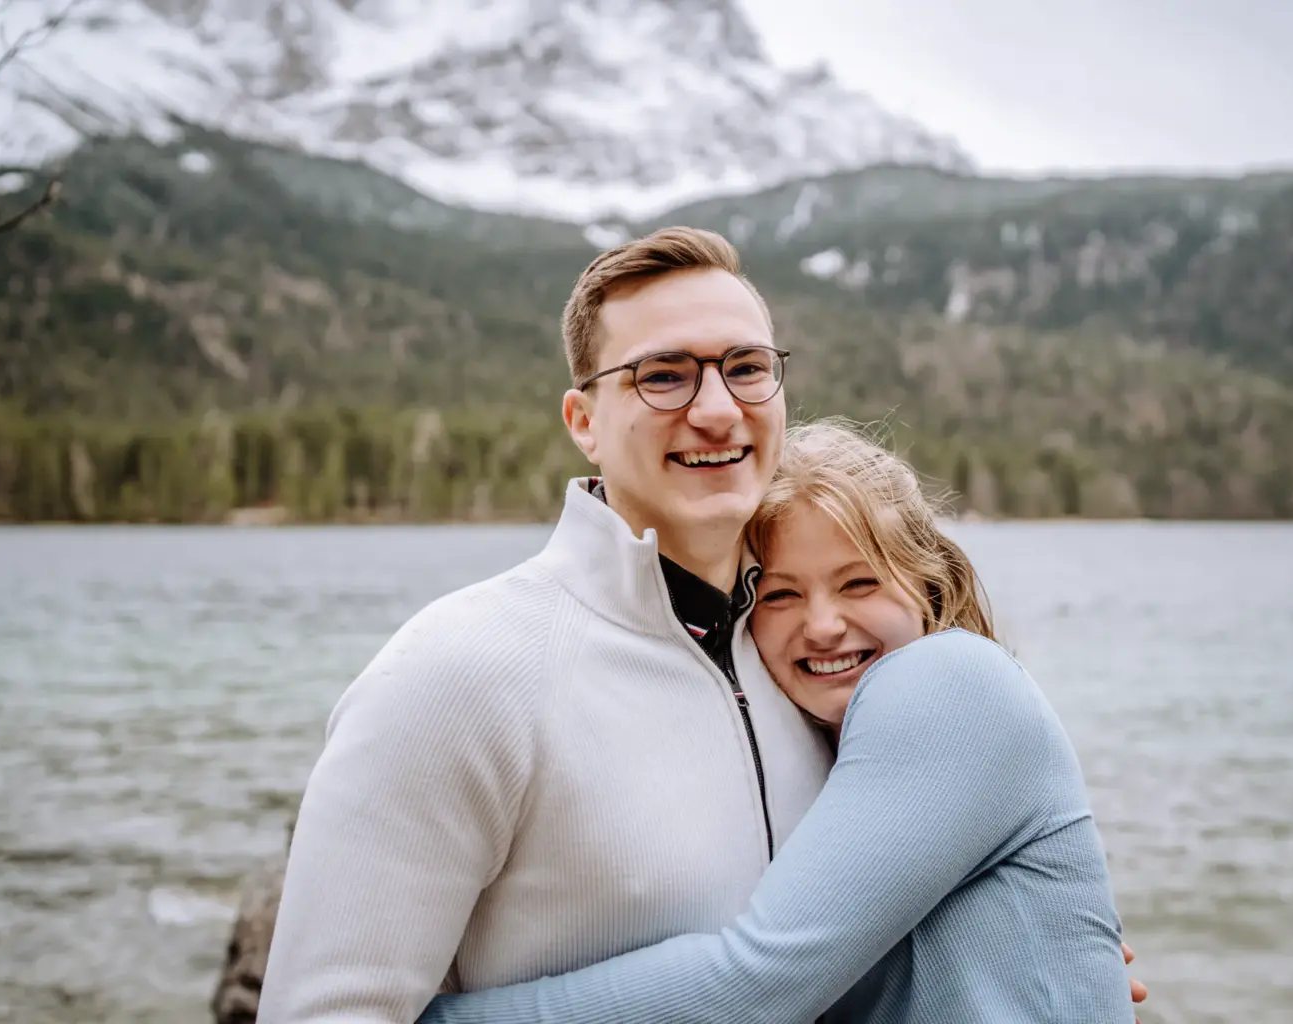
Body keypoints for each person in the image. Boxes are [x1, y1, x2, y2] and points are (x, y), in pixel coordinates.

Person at [256, 228, 1146, 1022]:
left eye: (746, 367)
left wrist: (1039, 958)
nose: (716, 408)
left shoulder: (817, 679)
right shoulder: (459, 672)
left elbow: (827, 953)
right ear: (584, 422)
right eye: (663, 375)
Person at [411, 419, 1134, 1023]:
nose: (823, 625)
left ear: (928, 582)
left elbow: (757, 981)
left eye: (860, 582)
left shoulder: (945, 680)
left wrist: (434, 1017)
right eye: (781, 595)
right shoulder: (810, 758)